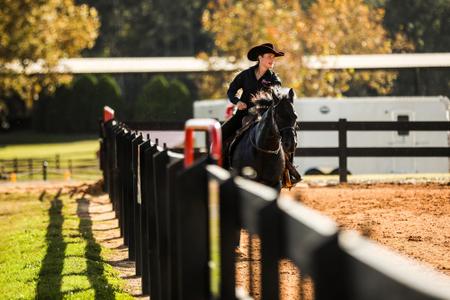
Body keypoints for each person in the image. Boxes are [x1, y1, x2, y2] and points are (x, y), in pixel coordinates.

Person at [221, 43, 284, 142]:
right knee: (220, 134)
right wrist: (237, 102)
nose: (272, 60)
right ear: (260, 57)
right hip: (242, 114)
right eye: (269, 57)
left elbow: (277, 98)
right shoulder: (245, 75)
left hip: (265, 117)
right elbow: (231, 91)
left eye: (273, 57)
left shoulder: (274, 80)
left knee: (286, 136)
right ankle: (215, 157)